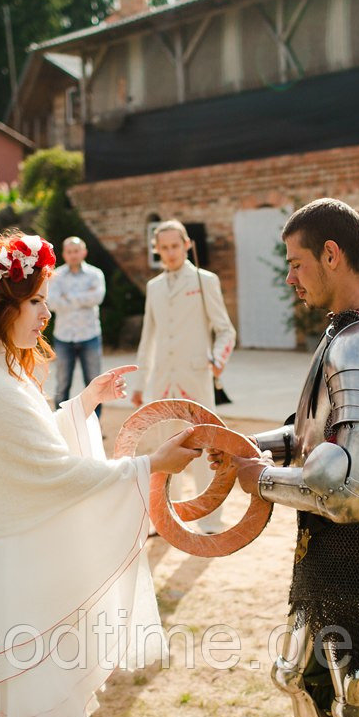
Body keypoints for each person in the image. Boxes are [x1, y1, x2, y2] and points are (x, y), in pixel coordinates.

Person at [0, 233, 200, 717]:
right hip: (1, 573)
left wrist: (81, 405)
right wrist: (151, 464)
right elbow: (54, 473)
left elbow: (22, 454)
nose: (47, 313)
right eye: (36, 300)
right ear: (0, 305)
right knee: (10, 692)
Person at [214, 198, 359, 717]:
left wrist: (258, 480)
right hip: (327, 540)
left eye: (295, 263)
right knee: (304, 679)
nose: (289, 277)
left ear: (331, 254)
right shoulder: (348, 332)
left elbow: (352, 493)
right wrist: (245, 447)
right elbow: (318, 436)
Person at [131, 220, 237, 534]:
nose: (170, 252)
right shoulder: (154, 287)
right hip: (162, 381)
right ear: (156, 250)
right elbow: (148, 338)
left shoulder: (205, 281)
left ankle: (209, 519)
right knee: (164, 448)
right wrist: (140, 383)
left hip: (196, 377)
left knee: (204, 445)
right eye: (163, 248)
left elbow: (225, 330)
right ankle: (166, 517)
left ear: (187, 244)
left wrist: (218, 360)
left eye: (175, 246)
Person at [47, 236, 106, 417]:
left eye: (76, 251)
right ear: (64, 254)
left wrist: (68, 297)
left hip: (90, 336)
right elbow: (53, 303)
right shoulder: (55, 276)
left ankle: (94, 424)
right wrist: (83, 297)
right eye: (69, 251)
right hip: (64, 337)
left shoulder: (96, 274)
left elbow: (97, 298)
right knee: (62, 383)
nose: (73, 255)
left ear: (84, 252)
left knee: (95, 382)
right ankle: (60, 425)